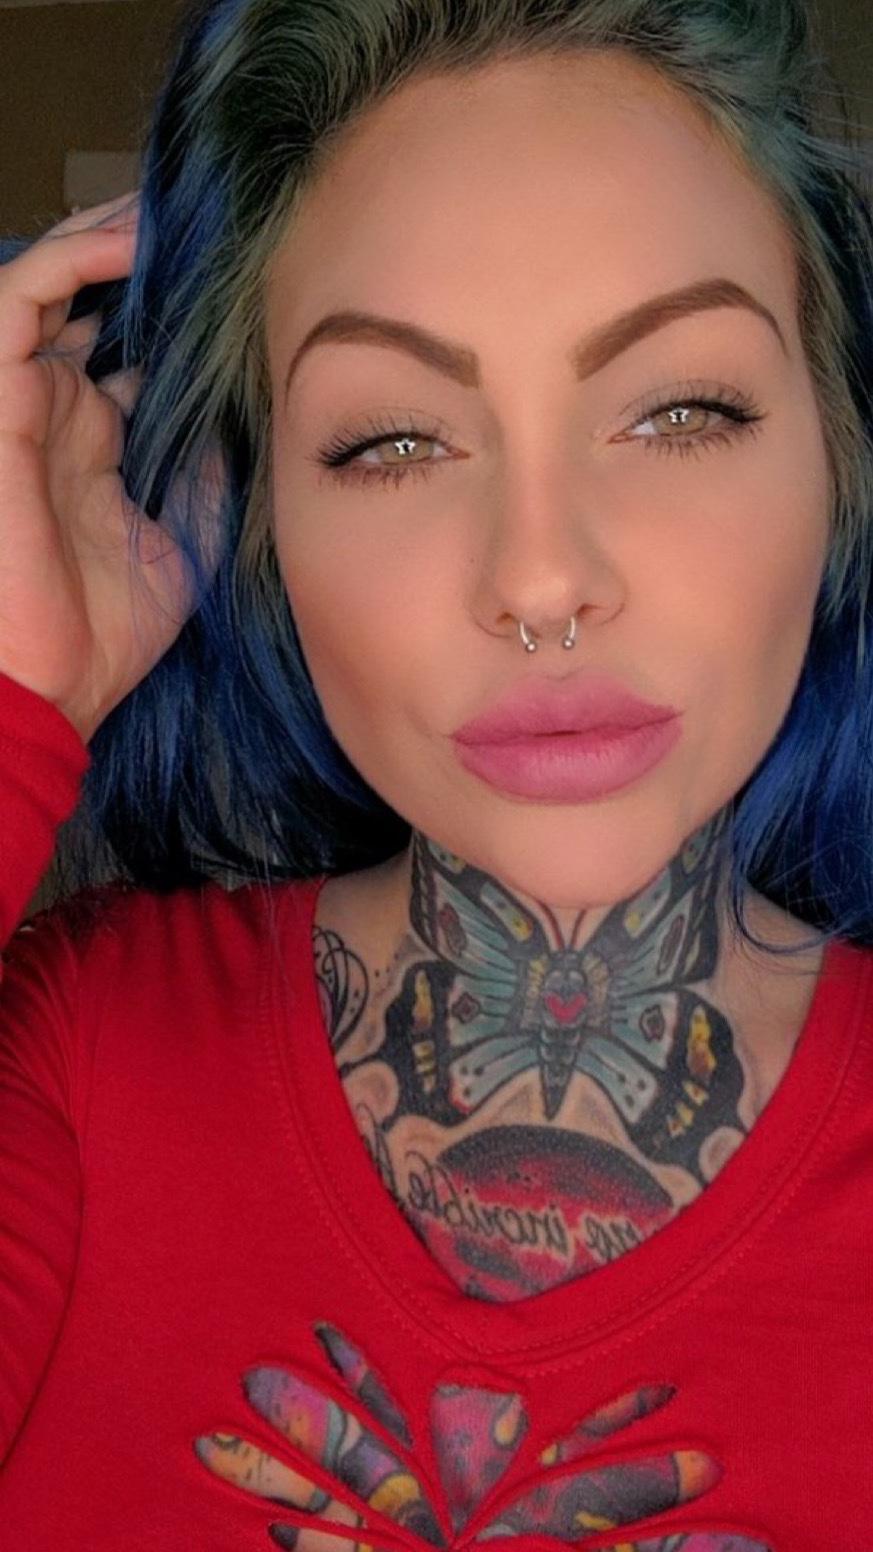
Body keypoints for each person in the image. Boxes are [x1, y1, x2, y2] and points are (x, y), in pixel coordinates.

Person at [0, 0, 872, 1545]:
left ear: (837, 463)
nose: (539, 577)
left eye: (680, 411)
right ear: (258, 525)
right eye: (391, 441)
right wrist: (12, 696)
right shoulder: (77, 1059)